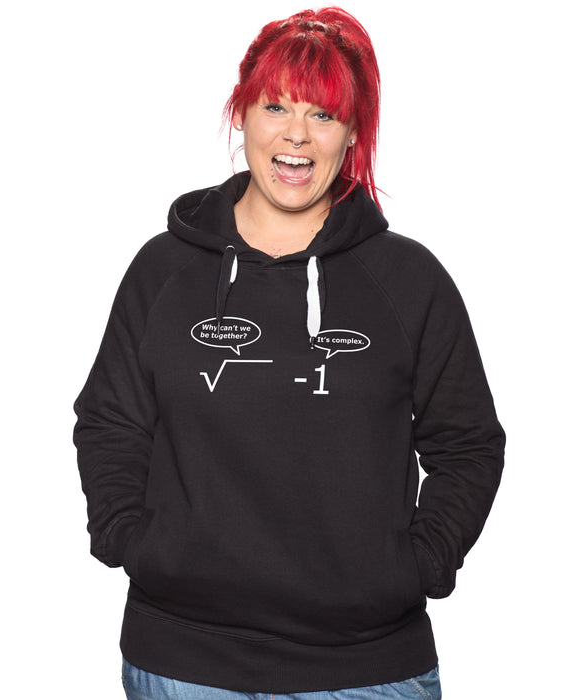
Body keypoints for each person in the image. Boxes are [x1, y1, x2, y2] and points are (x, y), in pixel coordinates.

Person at [73, 7, 505, 699]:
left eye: (323, 114)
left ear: (353, 131)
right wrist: (130, 538)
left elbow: (469, 444)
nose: (296, 134)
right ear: (241, 112)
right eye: (275, 106)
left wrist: (417, 564)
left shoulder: (408, 281)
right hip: (183, 661)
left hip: (365, 669)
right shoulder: (164, 271)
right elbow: (110, 421)